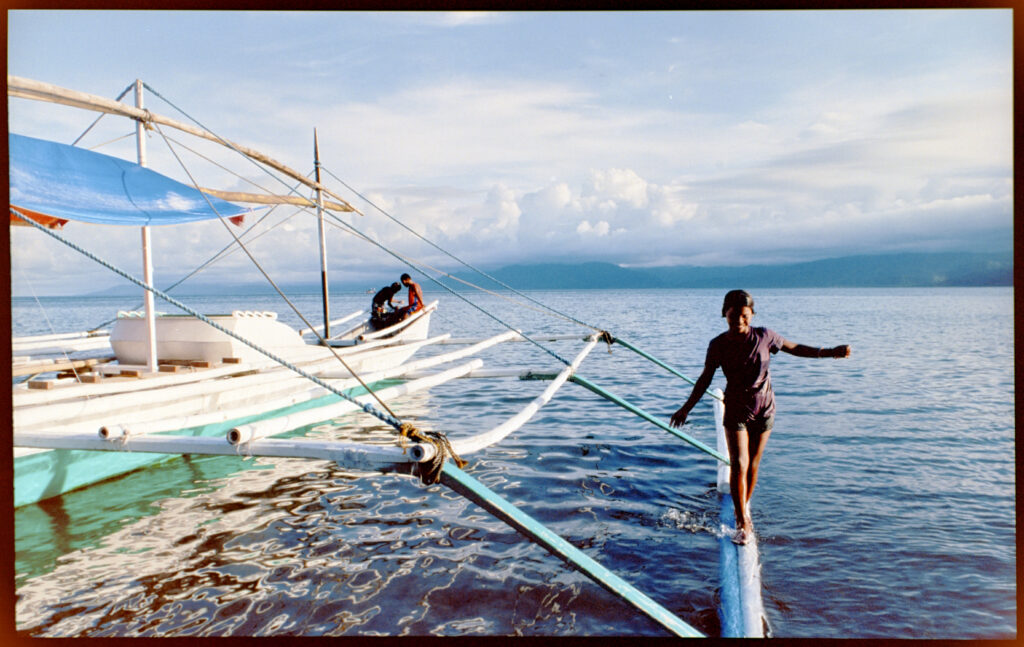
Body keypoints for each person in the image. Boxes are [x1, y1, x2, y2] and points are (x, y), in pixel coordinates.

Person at [669, 290, 851, 545]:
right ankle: (743, 522)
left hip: (765, 408)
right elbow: (705, 379)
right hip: (735, 409)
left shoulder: (765, 336)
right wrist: (685, 408)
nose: (739, 321)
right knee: (739, 464)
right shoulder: (718, 344)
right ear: (724, 314)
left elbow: (795, 348)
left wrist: (829, 352)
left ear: (752, 315)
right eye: (733, 316)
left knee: (753, 464)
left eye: (744, 316)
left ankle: (742, 507)